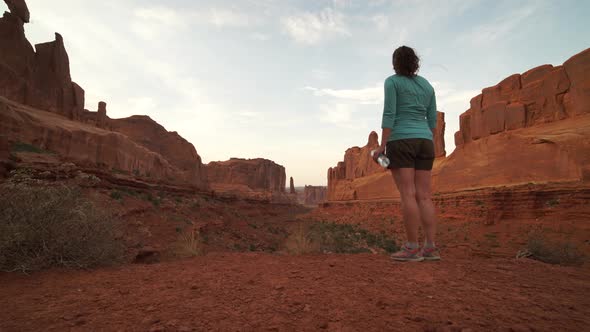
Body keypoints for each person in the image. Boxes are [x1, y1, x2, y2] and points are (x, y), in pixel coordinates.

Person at [372, 46, 440, 262]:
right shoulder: (427, 85)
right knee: (424, 196)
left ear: (395, 63)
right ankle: (430, 247)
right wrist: (428, 139)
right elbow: (432, 119)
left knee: (408, 194)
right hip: (425, 142)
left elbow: (389, 113)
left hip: (401, 140)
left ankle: (412, 248)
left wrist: (382, 146)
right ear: (415, 62)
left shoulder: (392, 82)